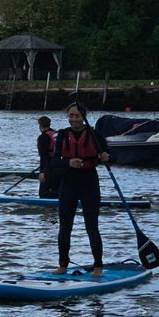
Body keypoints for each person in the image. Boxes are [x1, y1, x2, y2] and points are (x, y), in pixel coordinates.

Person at [50, 102, 112, 277]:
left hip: (89, 183)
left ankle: (98, 266)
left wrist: (106, 157)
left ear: (84, 117)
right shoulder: (62, 135)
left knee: (92, 227)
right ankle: (63, 265)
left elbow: (109, 156)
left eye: (77, 116)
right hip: (68, 183)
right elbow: (54, 162)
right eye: (71, 116)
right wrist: (68, 162)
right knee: (65, 227)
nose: (74, 119)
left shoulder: (95, 135)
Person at [36, 115, 59, 198]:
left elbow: (43, 155)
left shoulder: (43, 137)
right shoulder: (56, 134)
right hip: (59, 166)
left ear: (40, 125)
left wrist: (42, 171)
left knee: (42, 194)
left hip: (49, 168)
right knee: (56, 189)